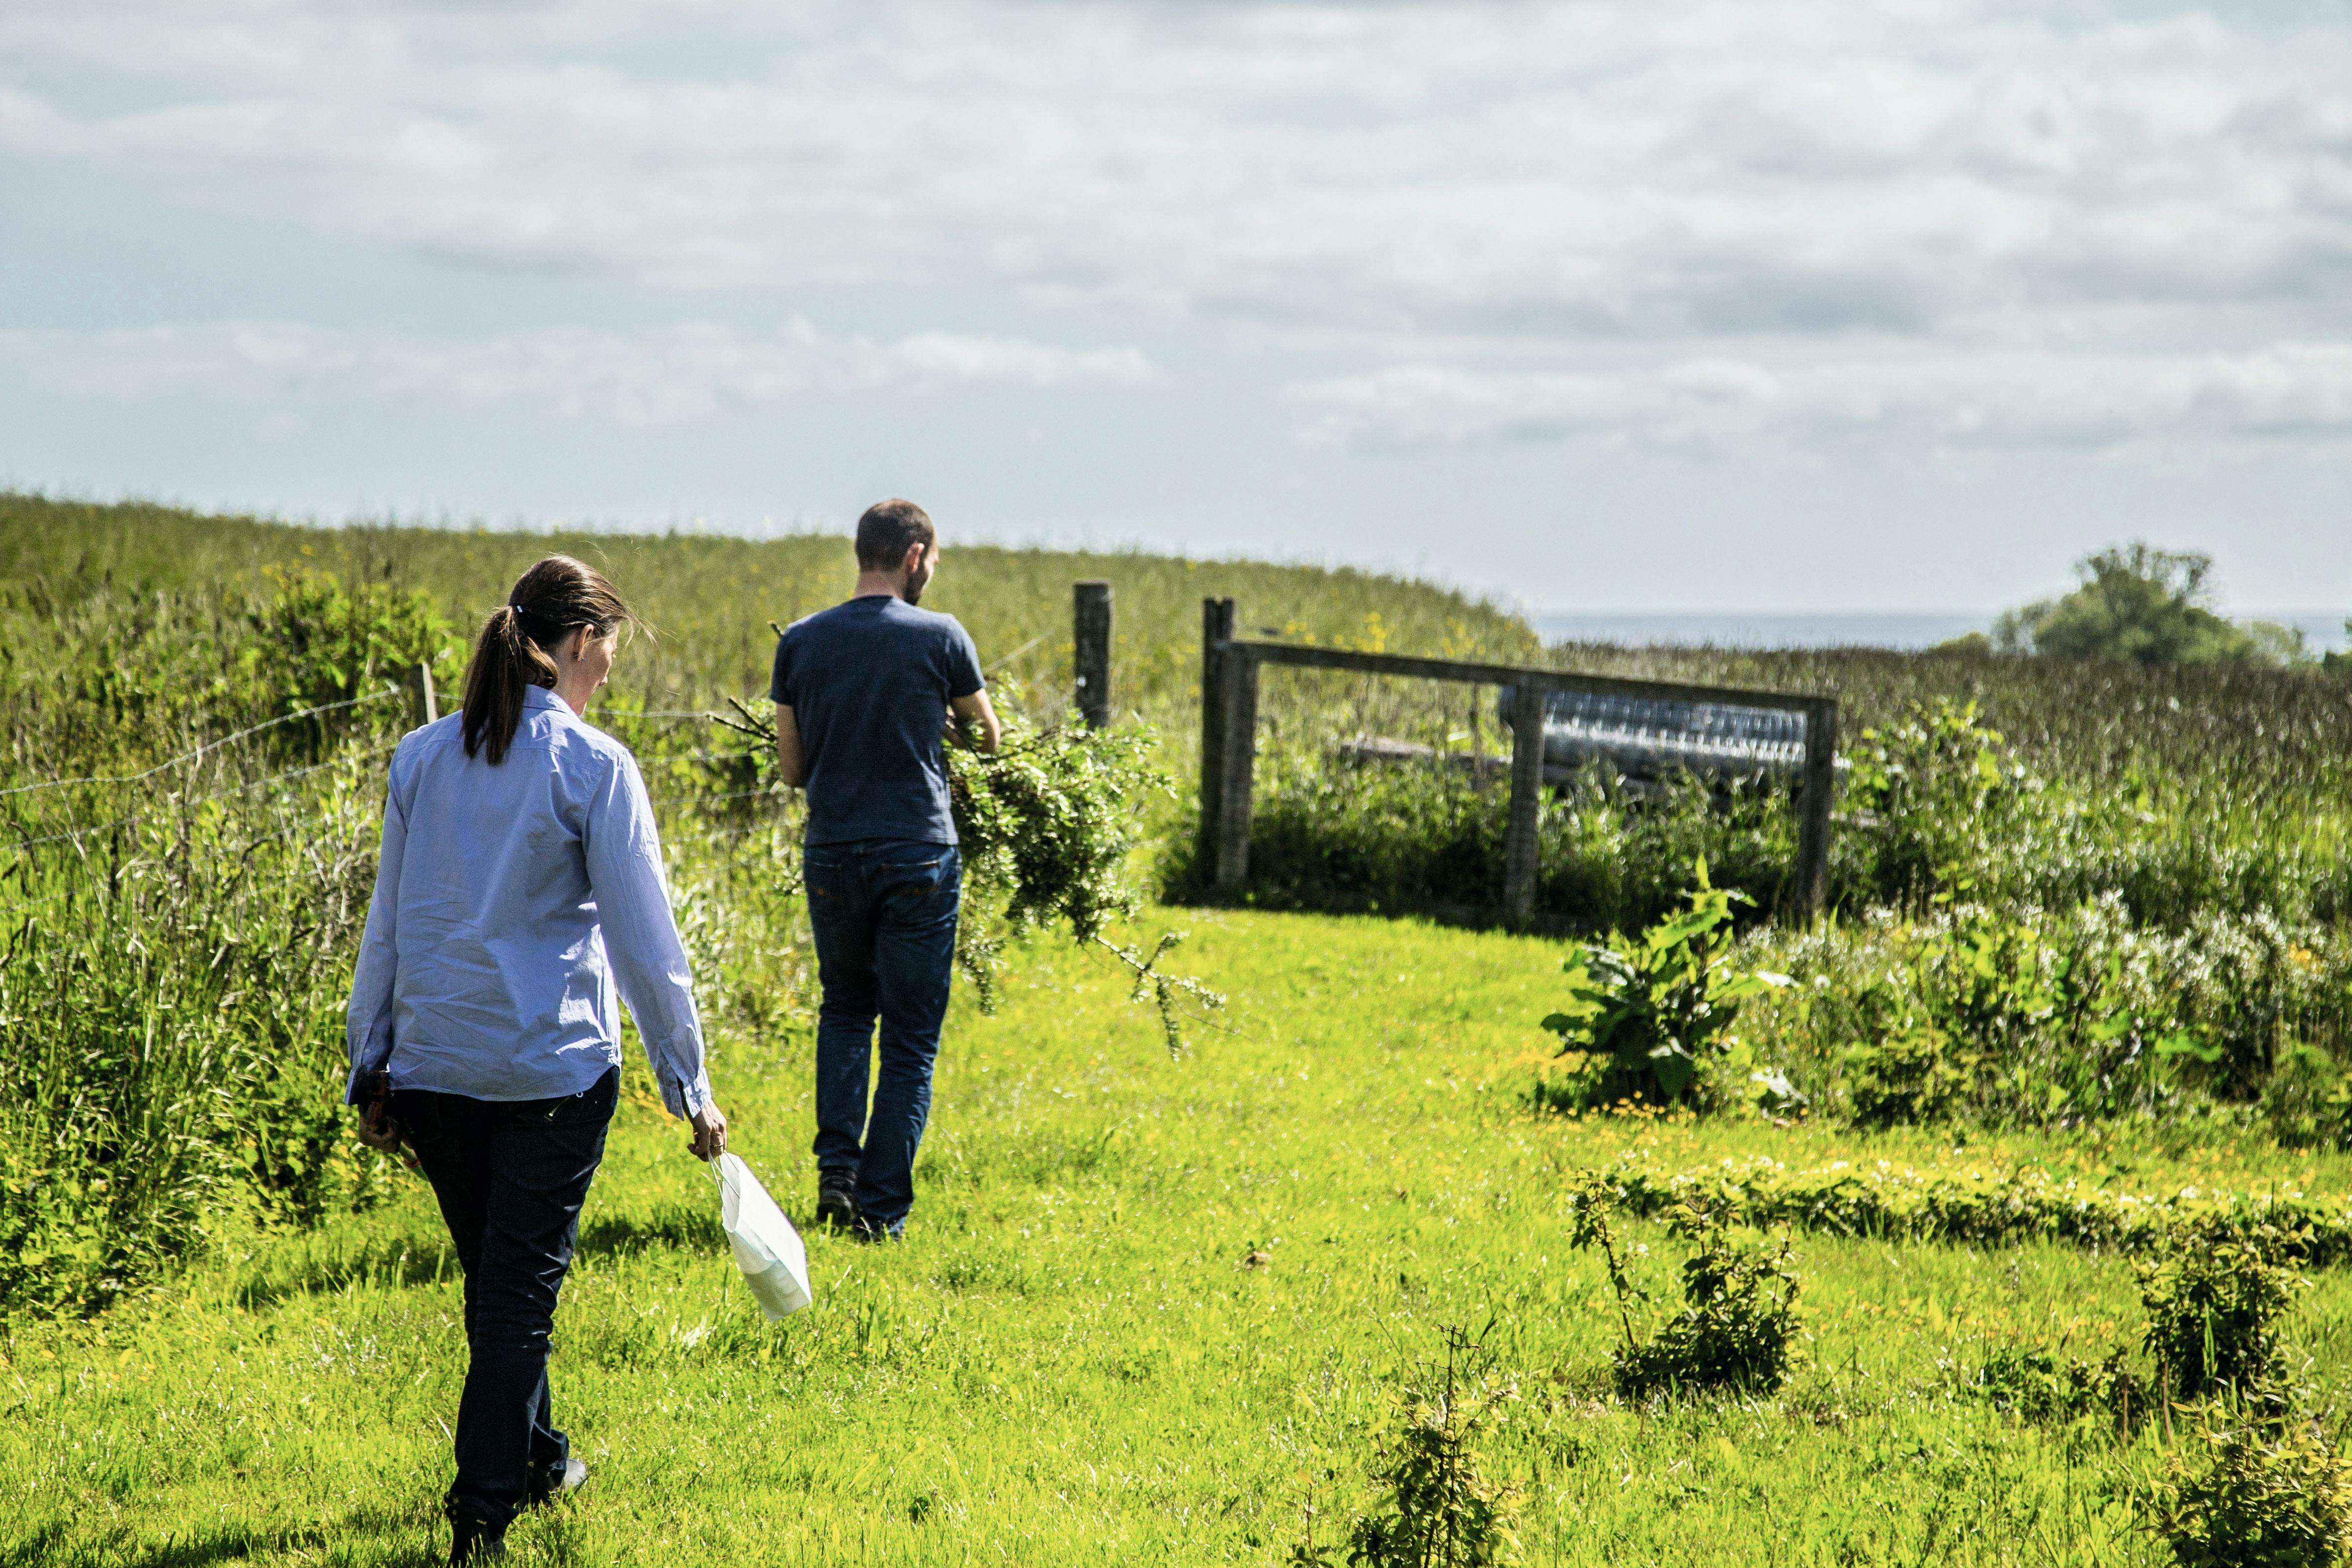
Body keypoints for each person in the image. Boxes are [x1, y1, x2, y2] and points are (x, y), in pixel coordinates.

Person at [346, 556, 727, 1566]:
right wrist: (690, 1086)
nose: (609, 672)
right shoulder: (593, 767)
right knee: (515, 1295)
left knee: (499, 1284)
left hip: (435, 1069)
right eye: (609, 650)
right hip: (550, 1074)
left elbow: (388, 925)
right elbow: (649, 946)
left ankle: (545, 1459)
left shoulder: (421, 758)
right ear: (581, 643)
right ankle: (481, 1511)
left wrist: (370, 1057)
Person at [770, 499, 1000, 1239]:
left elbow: (792, 769)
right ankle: (880, 1212)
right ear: (914, 555)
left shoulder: (801, 643)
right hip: (919, 853)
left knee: (844, 1009)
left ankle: (836, 1172)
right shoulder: (941, 637)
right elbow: (989, 737)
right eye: (932, 559)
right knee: (908, 1035)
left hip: (835, 850)